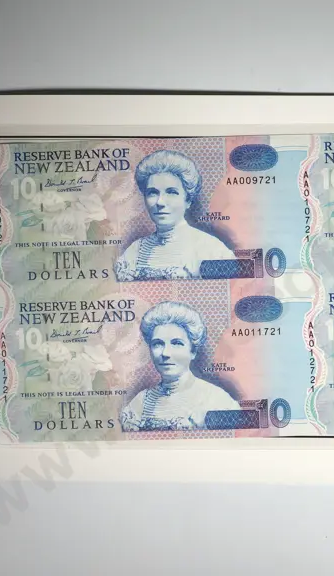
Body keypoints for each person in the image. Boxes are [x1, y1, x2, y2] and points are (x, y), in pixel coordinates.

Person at [114, 150, 234, 281]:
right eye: (152, 192)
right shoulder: (134, 252)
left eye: (171, 192)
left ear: (188, 200)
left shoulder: (212, 249)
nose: (160, 202)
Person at [120, 301, 240, 431]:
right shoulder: (139, 403)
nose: (165, 353)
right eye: (157, 344)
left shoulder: (217, 400)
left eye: (177, 343)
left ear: (193, 351)